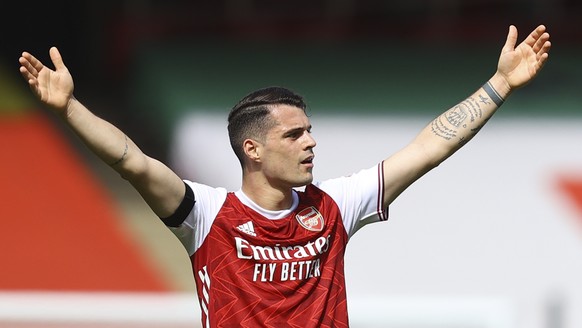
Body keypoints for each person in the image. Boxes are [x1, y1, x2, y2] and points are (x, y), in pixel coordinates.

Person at [19, 24, 551, 327]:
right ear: (252, 148)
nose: (311, 142)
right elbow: (131, 160)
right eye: (294, 135)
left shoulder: (336, 205)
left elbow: (429, 147)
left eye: (309, 131)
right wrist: (70, 109)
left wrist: (498, 85)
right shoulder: (206, 216)